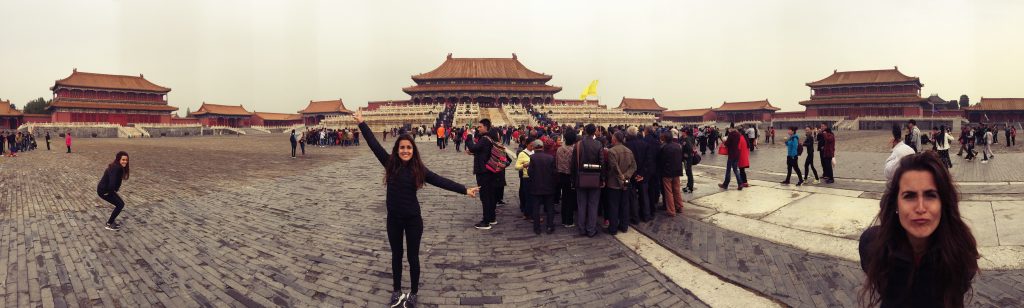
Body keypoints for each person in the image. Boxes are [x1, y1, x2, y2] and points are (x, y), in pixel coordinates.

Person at [353, 110, 479, 308]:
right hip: (393, 219)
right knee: (396, 255)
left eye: (409, 148)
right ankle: (396, 290)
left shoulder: (419, 169)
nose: (405, 151)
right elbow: (373, 144)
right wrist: (362, 122)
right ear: (397, 150)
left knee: (412, 257)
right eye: (402, 147)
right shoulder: (389, 163)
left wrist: (465, 190)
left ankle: (413, 292)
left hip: (413, 220)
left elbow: (440, 180)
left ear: (413, 150)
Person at [858, 152, 978, 308]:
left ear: (943, 203)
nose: (920, 208)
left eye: (930, 195)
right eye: (909, 196)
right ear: (895, 204)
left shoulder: (961, 250)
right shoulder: (872, 246)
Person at [465, 119, 502, 230]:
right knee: (490, 195)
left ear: (486, 127)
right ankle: (492, 218)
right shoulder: (490, 139)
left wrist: (469, 136)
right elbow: (482, 152)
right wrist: (474, 153)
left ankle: (486, 222)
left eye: (480, 126)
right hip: (489, 170)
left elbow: (473, 147)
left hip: (483, 172)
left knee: (485, 196)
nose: (478, 128)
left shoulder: (485, 139)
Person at [571, 124, 605, 237]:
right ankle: (591, 229)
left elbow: (573, 164)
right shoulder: (598, 144)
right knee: (593, 205)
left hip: (581, 178)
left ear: (585, 131)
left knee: (582, 205)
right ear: (595, 131)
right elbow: (602, 163)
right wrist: (602, 178)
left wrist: (573, 180)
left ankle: (581, 228)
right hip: (594, 178)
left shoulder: (578, 144)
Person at [605, 132, 636, 234]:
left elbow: (614, 167)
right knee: (624, 205)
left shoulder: (611, 151)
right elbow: (633, 167)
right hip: (626, 183)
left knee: (613, 206)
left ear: (615, 139)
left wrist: (621, 177)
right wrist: (626, 176)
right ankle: (624, 226)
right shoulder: (629, 151)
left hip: (614, 183)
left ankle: (613, 228)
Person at [528, 139, 558, 235]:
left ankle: (537, 228)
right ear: (542, 147)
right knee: (549, 207)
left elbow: (530, 173)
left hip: (536, 187)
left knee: (536, 208)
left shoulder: (532, 157)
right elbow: (554, 173)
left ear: (534, 147)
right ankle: (550, 226)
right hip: (549, 186)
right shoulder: (550, 157)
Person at [97, 151, 131, 231]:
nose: (125, 161)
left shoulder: (116, 166)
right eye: (123, 159)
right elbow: (112, 183)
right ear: (118, 159)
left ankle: (111, 222)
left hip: (104, 189)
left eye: (126, 160)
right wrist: (110, 192)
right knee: (120, 204)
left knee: (120, 204)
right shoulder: (117, 168)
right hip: (104, 190)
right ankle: (109, 224)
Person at [658, 132, 685, 216]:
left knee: (668, 192)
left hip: (667, 172)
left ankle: (671, 210)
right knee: (677, 190)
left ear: (665, 138)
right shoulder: (678, 146)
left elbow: (661, 161)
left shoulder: (663, 147)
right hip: (677, 171)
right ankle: (679, 206)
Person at [556, 130, 578, 228]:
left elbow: (556, 163)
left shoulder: (559, 149)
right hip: (570, 177)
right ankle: (569, 221)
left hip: (561, 175)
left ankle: (563, 219)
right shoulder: (574, 150)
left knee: (564, 198)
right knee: (570, 199)